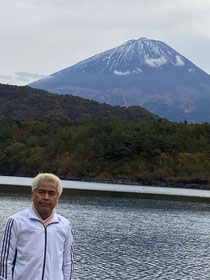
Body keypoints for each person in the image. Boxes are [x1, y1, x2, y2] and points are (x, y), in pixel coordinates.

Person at [0, 173, 74, 280]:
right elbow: (5, 261)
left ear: (57, 197)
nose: (46, 197)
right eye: (41, 192)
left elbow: (68, 263)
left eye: (51, 193)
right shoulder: (16, 222)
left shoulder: (65, 225)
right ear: (33, 194)